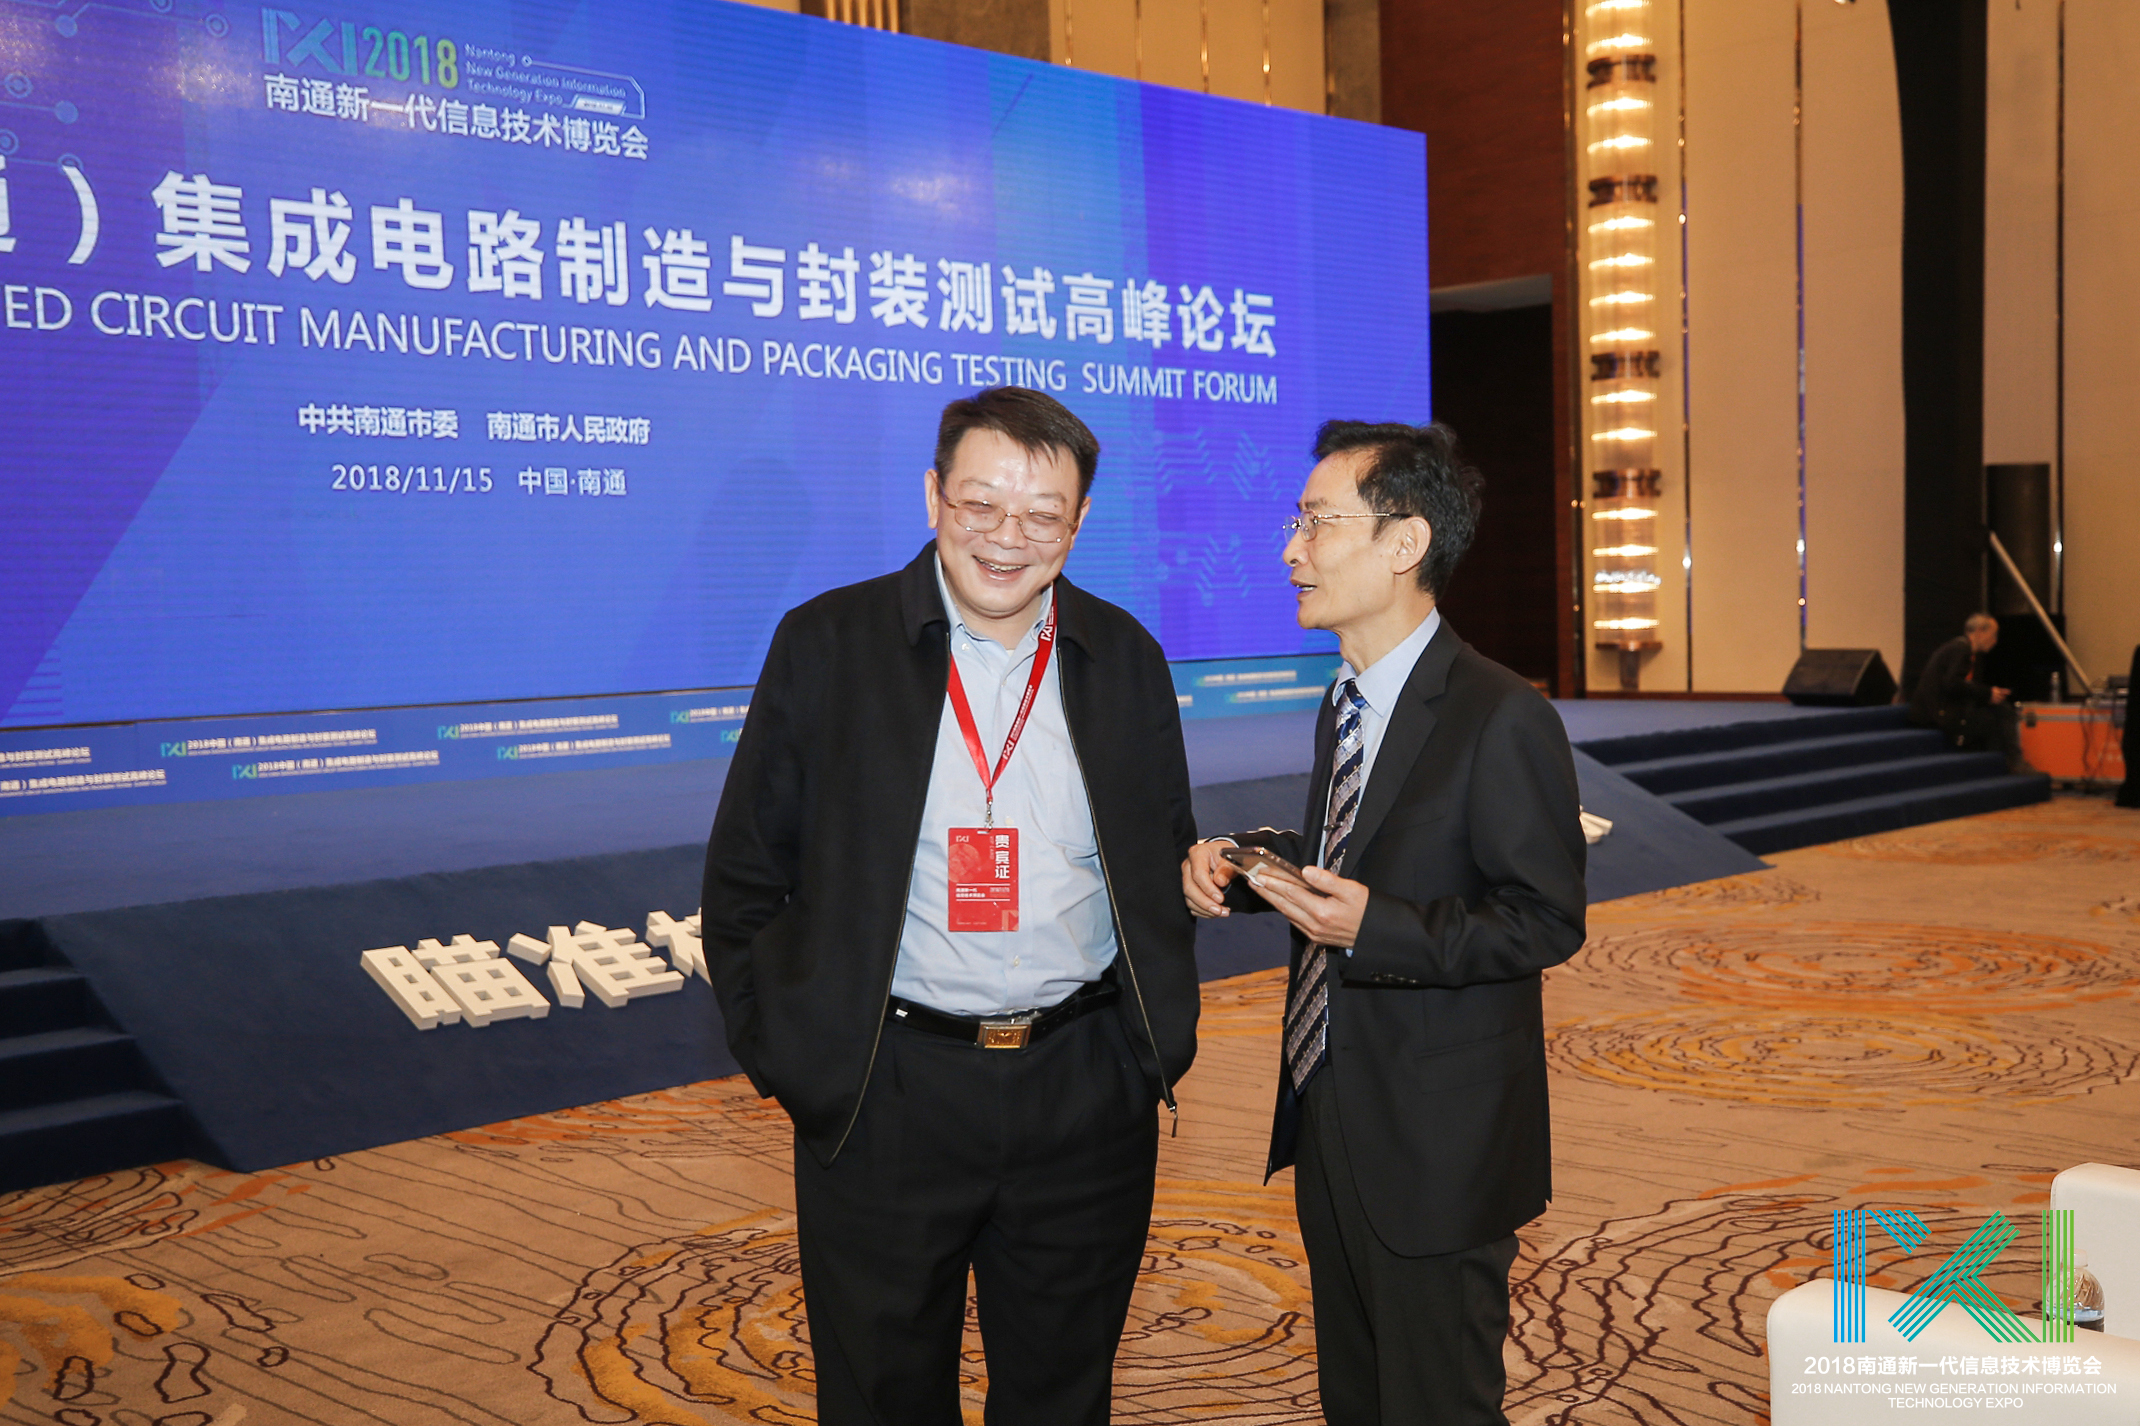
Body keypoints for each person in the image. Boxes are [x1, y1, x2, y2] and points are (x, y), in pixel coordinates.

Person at [700, 386, 1200, 1426]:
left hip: (1083, 1093)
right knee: (880, 1397)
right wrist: (795, 1055)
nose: (1007, 539)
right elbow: (747, 876)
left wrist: (1146, 1050)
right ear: (933, 496)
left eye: (1041, 515)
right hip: (887, 1090)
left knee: (1061, 1399)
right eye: (980, 505)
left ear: (1079, 521)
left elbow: (1157, 860)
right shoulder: (827, 644)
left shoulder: (1124, 659)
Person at [1180, 420, 1586, 1426]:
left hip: (1439, 1144)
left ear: (1404, 542)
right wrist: (1247, 861)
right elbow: (1362, 850)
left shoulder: (1501, 714)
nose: (1292, 550)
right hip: (1333, 1110)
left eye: (1318, 523)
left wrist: (1375, 928)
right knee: (1356, 1399)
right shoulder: (1349, 702)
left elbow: (1544, 919)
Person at [1908, 613, 2033, 774]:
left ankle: (2002, 766)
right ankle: (2007, 764)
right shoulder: (1961, 650)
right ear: (1979, 631)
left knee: (2000, 709)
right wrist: (1987, 693)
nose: (1995, 641)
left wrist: (1988, 694)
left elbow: (1960, 686)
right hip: (1937, 714)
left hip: (1940, 709)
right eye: (1993, 635)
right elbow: (1952, 684)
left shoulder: (1959, 649)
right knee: (1996, 718)